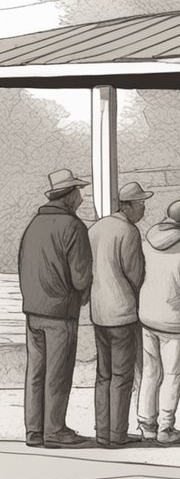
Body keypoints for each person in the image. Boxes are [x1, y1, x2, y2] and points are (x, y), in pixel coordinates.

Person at [19, 170, 93, 448]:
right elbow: (81, 277)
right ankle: (55, 429)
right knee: (58, 373)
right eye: (79, 192)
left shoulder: (34, 225)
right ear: (70, 195)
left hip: (33, 311)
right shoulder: (73, 227)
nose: (82, 197)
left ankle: (34, 430)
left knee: (35, 372)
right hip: (60, 311)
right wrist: (85, 291)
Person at [88, 182, 151, 446]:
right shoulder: (129, 231)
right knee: (122, 376)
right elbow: (135, 274)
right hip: (123, 312)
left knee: (103, 375)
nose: (144, 208)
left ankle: (102, 431)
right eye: (141, 204)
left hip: (98, 311)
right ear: (128, 206)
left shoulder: (96, 228)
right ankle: (117, 434)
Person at [138, 200, 180, 445]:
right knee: (172, 374)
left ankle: (145, 422)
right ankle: (165, 427)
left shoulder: (148, 240)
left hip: (148, 312)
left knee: (150, 373)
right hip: (174, 316)